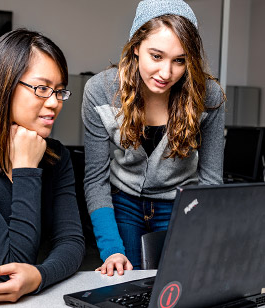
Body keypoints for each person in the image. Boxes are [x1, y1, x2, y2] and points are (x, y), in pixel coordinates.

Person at [82, 0, 225, 276]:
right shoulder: (99, 90)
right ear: (136, 46)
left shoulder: (209, 97)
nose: (166, 73)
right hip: (123, 202)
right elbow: (95, 180)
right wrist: (111, 248)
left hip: (181, 204)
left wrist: (201, 235)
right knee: (127, 280)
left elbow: (211, 181)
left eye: (179, 61)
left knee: (179, 282)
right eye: (156, 56)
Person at [0, 28, 85, 303]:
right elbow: (11, 264)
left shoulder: (56, 156)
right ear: (4, 85)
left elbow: (71, 242)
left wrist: (40, 276)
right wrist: (26, 169)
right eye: (42, 88)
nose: (54, 103)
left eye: (59, 91)